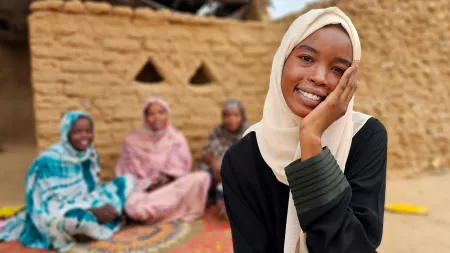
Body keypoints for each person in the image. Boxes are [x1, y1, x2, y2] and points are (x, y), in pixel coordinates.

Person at [221, 7, 387, 253]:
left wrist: (311, 138)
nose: (320, 77)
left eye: (338, 70)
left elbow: (351, 246)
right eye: (307, 59)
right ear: (282, 61)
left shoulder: (365, 136)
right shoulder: (242, 157)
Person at [0, 111, 136, 252]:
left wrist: (99, 204)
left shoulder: (89, 153)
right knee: (76, 219)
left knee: (128, 181)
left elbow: (91, 189)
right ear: (66, 133)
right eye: (77, 132)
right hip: (58, 213)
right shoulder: (48, 162)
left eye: (88, 131)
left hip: (86, 201)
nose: (84, 137)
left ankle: (99, 222)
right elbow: (48, 207)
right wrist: (93, 211)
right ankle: (96, 224)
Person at [116, 97, 211, 223]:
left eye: (161, 112)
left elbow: (181, 170)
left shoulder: (175, 138)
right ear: (145, 117)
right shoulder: (132, 141)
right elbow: (127, 176)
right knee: (133, 208)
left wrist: (166, 179)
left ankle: (159, 213)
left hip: (171, 189)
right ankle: (164, 211)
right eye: (151, 114)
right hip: (146, 192)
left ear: (168, 115)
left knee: (202, 177)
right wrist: (148, 185)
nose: (157, 118)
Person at [198, 98, 250, 218]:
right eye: (227, 116)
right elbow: (205, 153)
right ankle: (210, 198)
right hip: (218, 172)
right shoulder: (218, 131)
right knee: (202, 170)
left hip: (240, 172)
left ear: (242, 116)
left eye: (236, 115)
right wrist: (213, 162)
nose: (231, 119)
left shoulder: (249, 132)